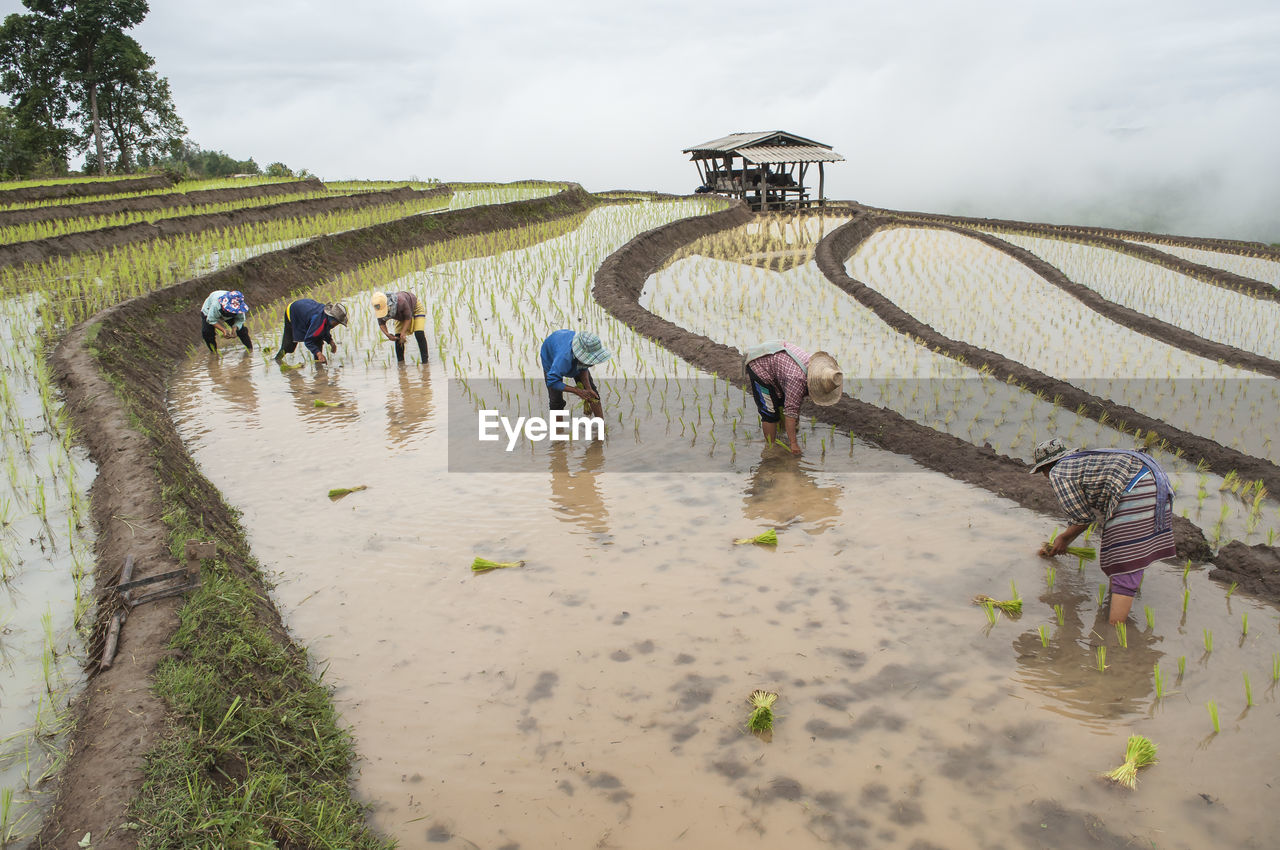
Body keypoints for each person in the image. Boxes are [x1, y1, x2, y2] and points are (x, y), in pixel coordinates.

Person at [1032, 438, 1176, 625]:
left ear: (1045, 468)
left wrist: (1063, 539)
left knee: (1123, 561)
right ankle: (1116, 602)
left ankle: (1114, 633)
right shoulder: (1081, 461)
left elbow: (1083, 519)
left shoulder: (1058, 472)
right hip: (1158, 483)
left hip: (1136, 489)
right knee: (1132, 552)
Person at [742, 340, 843, 456]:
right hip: (760, 365)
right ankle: (770, 447)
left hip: (779, 363)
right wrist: (793, 444)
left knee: (784, 401)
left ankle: (782, 431)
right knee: (769, 412)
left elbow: (794, 401)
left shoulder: (816, 367)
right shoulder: (797, 380)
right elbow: (790, 412)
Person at [539, 329, 610, 419]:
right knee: (556, 401)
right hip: (551, 357)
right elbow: (552, 382)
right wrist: (577, 391)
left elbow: (584, 368)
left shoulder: (585, 352)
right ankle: (558, 431)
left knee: (593, 394)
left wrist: (588, 388)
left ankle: (601, 428)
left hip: (565, 344)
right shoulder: (563, 359)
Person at [273, 298, 347, 365]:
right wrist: (319, 354)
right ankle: (277, 360)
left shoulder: (327, 319)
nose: (337, 324)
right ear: (332, 318)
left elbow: (324, 330)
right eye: (337, 322)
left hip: (306, 309)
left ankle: (319, 370)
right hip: (293, 311)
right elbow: (308, 341)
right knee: (289, 346)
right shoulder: (319, 320)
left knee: (318, 341)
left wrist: (331, 342)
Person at [372, 290, 429, 363]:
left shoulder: (401, 302)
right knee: (398, 338)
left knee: (419, 333)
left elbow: (408, 318)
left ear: (387, 305)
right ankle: (401, 364)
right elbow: (381, 324)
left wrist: (403, 332)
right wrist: (387, 334)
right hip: (401, 315)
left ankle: (425, 362)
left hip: (415, 308)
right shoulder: (379, 307)